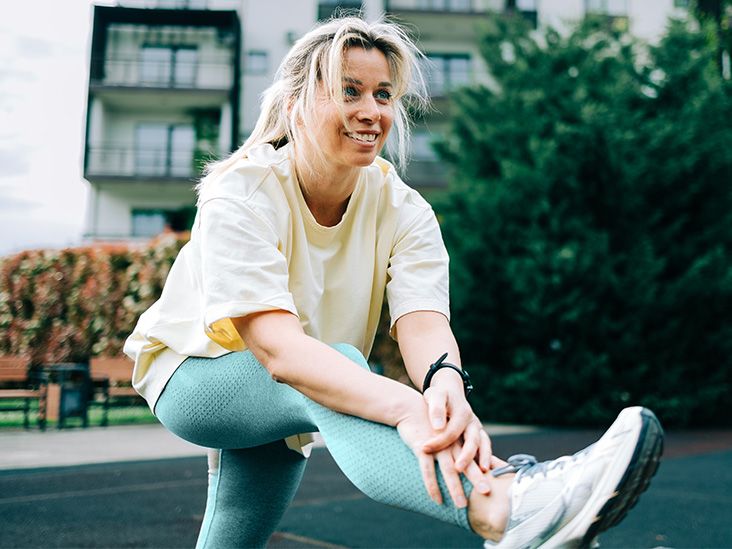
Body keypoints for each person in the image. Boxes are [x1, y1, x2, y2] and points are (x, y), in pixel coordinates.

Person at [124, 15, 663, 548]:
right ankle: (504, 506)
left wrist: (444, 386)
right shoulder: (241, 192)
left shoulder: (403, 207)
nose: (372, 111)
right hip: (193, 377)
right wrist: (406, 408)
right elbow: (280, 351)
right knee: (339, 364)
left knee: (234, 535)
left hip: (300, 383)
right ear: (294, 103)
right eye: (349, 91)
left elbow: (423, 323)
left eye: (383, 95)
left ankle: (529, 513)